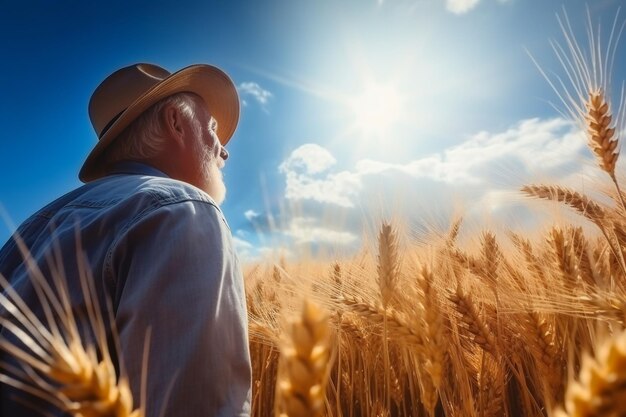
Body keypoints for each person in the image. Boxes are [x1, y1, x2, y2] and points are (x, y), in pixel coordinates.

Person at [0, 63, 252, 416]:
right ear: (175, 123)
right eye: (211, 129)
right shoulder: (184, 210)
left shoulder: (29, 230)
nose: (223, 149)